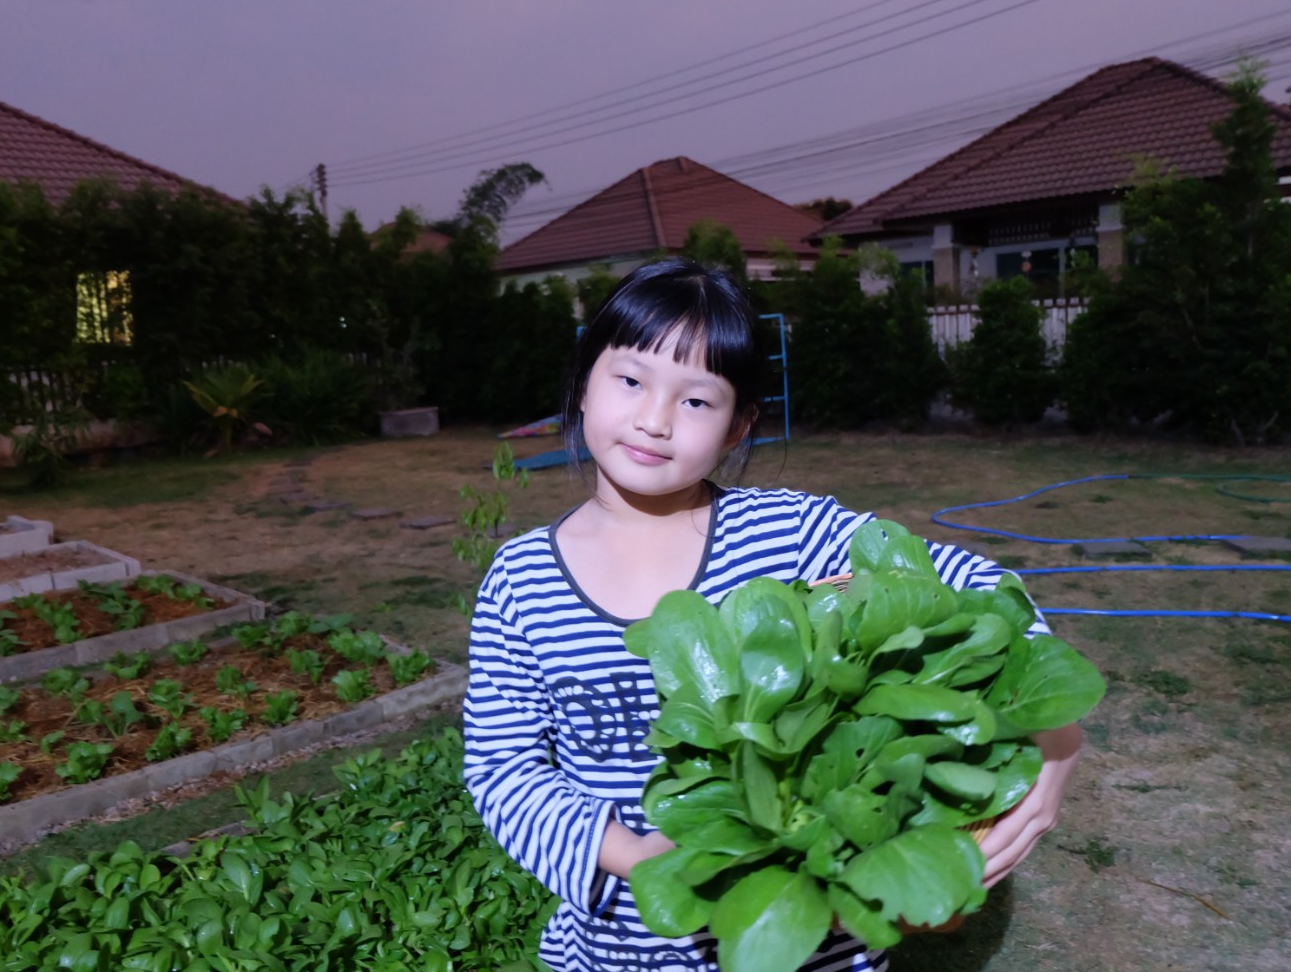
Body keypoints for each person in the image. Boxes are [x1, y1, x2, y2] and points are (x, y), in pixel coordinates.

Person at [462, 259, 1084, 972]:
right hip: (623, 947)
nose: (654, 420)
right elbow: (502, 770)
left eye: (697, 401)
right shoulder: (521, 579)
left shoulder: (787, 533)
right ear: (582, 382)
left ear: (737, 428)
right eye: (630, 380)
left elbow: (978, 584)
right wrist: (634, 856)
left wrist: (1055, 731)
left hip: (812, 941)